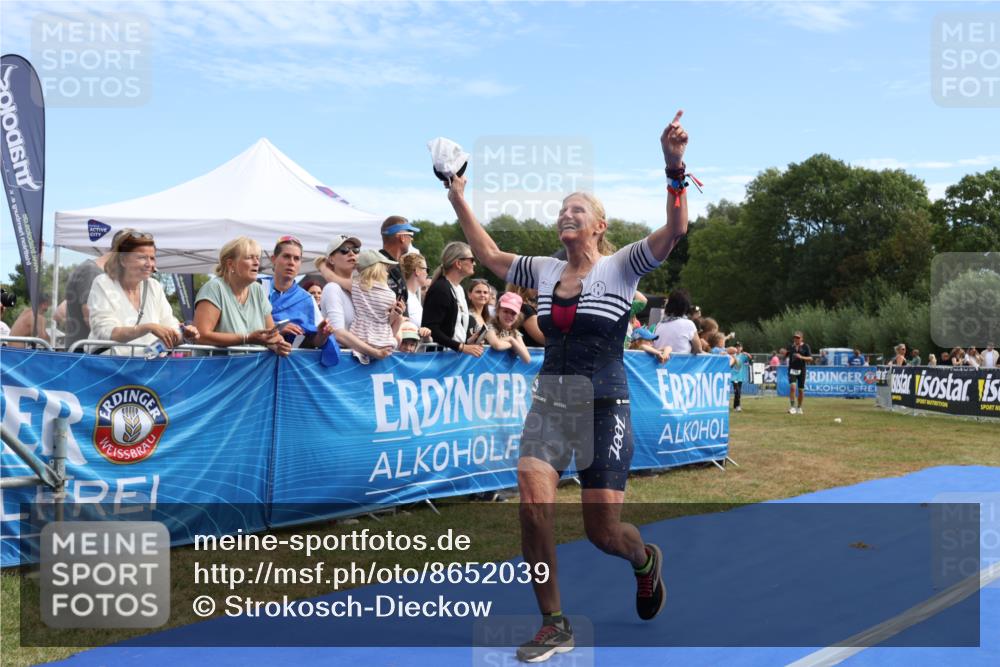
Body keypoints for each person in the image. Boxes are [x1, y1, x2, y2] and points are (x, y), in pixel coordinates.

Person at [442, 111, 690, 662]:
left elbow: (675, 231)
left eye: (577, 208)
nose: (565, 214)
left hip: (605, 404)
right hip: (552, 402)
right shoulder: (545, 271)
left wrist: (674, 165)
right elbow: (489, 255)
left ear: (599, 225)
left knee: (604, 533)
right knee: (533, 505)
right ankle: (554, 623)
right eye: (561, 209)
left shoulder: (622, 267)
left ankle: (645, 559)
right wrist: (458, 197)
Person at [86, 231, 199, 356]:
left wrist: (184, 335)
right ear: (123, 260)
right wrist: (147, 328)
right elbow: (105, 331)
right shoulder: (104, 283)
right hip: (110, 364)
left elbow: (170, 327)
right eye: (142, 257)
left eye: (152, 258)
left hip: (149, 364)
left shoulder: (154, 286)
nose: (149, 264)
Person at [194, 236, 287, 355]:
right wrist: (246, 338)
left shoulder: (257, 290)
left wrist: (278, 344)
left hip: (253, 366)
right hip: (217, 366)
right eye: (249, 258)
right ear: (230, 264)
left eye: (257, 258)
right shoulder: (214, 288)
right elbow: (201, 336)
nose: (256, 263)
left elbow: (271, 335)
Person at [317, 235, 392, 361]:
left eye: (356, 250)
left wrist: (395, 317)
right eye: (344, 250)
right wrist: (375, 352)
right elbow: (338, 334)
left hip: (366, 361)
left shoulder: (363, 289)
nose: (351, 253)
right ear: (331, 259)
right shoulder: (332, 288)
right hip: (342, 361)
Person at [264, 236, 335, 353]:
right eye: (286, 256)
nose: (291, 262)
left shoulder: (307, 299)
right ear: (273, 259)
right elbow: (242, 327)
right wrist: (276, 330)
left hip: (291, 361)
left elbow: (314, 342)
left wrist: (322, 335)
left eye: (296, 258)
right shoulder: (258, 288)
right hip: (251, 360)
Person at [63, 231, 126, 348]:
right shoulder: (92, 272)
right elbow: (90, 317)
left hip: (89, 350)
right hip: (85, 352)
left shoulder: (96, 272)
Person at [421, 241, 484, 357]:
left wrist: (469, 341)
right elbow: (432, 328)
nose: (474, 263)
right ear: (458, 263)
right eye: (471, 260)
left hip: (452, 357)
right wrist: (461, 347)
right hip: (438, 358)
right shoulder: (440, 289)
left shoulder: (459, 289)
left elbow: (452, 333)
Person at [350, 250, 404, 364]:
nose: (387, 273)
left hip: (360, 338)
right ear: (377, 269)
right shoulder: (390, 295)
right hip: (384, 341)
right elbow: (387, 321)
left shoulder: (355, 286)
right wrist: (395, 316)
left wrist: (323, 267)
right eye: (385, 269)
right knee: (400, 319)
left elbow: (332, 278)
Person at [379, 215, 420, 305]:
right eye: (410, 235)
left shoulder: (394, 265)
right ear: (402, 238)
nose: (412, 239)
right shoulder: (379, 266)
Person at [484, 291, 532, 364]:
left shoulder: (515, 332)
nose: (509, 316)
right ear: (498, 311)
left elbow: (527, 359)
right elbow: (497, 345)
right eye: (506, 311)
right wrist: (511, 340)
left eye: (513, 313)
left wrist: (512, 341)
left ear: (518, 316)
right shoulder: (490, 327)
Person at [653, 288, 701, 354]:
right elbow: (699, 350)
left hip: (660, 360)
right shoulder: (688, 324)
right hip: (681, 360)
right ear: (686, 306)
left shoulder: (659, 324)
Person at [399, 253, 432, 334]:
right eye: (426, 269)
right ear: (417, 271)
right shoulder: (404, 297)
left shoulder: (413, 297)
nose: (427, 273)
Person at [787, 331, 813, 414]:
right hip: (792, 369)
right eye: (795, 337)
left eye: (798, 338)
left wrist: (801, 357)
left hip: (802, 370)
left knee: (801, 390)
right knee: (792, 387)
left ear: (802, 338)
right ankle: (792, 407)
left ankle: (799, 407)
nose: (796, 339)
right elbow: (785, 355)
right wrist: (783, 353)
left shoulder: (806, 346)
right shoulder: (791, 346)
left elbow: (810, 358)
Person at [730, 342, 751, 412]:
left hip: (740, 377)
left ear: (742, 348)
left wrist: (747, 354)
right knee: (737, 391)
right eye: (737, 347)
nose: (738, 348)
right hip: (733, 376)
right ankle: (738, 406)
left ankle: (735, 406)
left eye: (739, 347)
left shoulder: (743, 355)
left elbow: (750, 359)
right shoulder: (732, 355)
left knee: (738, 392)